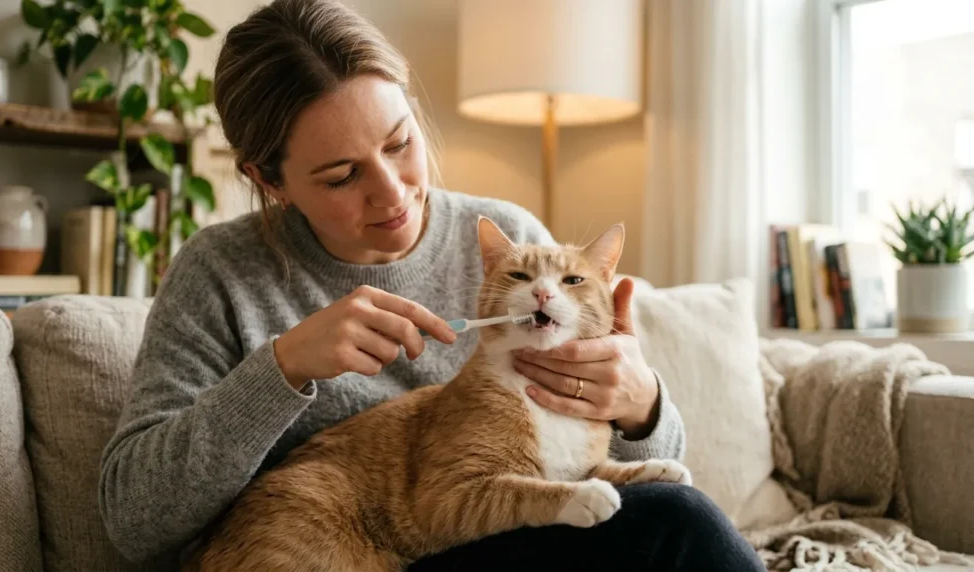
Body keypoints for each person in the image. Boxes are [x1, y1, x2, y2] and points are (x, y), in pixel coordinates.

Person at [97, 0, 766, 570]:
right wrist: (284, 367)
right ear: (270, 181)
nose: (391, 193)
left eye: (398, 142)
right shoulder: (221, 274)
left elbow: (640, 472)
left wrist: (640, 405)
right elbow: (134, 520)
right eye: (340, 176)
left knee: (675, 518)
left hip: (504, 539)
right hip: (348, 545)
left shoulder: (509, 242)